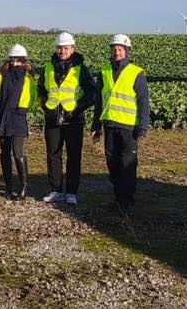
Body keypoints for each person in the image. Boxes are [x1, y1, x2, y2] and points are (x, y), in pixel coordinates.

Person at [36, 31, 97, 206]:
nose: (62, 51)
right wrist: (44, 104)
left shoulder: (81, 69)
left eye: (65, 47)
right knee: (53, 155)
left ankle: (71, 192)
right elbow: (41, 89)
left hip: (74, 119)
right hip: (52, 118)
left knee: (73, 156)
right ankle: (55, 190)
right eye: (59, 47)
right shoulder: (48, 68)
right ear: (56, 49)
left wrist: (77, 109)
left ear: (72, 48)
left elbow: (92, 93)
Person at [90, 34, 150, 213]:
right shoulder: (104, 72)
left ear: (126, 51)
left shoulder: (136, 73)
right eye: (114, 49)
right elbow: (99, 101)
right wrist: (95, 125)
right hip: (109, 125)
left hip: (128, 127)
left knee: (127, 164)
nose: (117, 52)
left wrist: (142, 126)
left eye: (120, 49)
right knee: (112, 163)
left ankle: (126, 201)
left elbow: (143, 102)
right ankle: (118, 198)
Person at [0, 44, 35, 200]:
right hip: (2, 118)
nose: (16, 64)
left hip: (18, 118)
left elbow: (31, 97)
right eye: (13, 61)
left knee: (17, 152)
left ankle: (23, 186)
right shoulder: (1, 75)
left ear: (24, 61)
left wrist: (22, 110)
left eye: (19, 61)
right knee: (4, 153)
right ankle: (8, 187)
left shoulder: (28, 78)